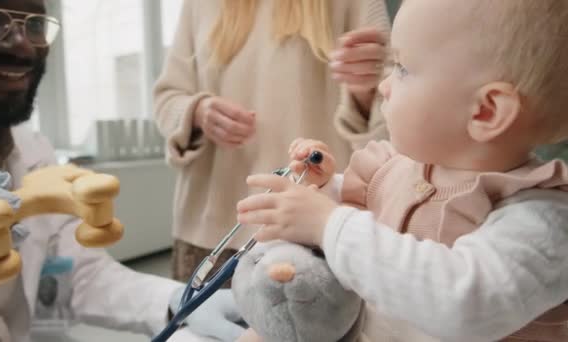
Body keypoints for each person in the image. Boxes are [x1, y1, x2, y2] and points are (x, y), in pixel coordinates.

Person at [236, 0, 568, 341]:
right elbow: (371, 228)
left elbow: (462, 303)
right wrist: (323, 193)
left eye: (402, 68)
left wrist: (327, 223)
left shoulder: (543, 222)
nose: (384, 85)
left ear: (486, 111)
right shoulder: (396, 171)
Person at [0, 1, 244, 341]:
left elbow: (80, 274)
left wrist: (178, 301)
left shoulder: (35, 155)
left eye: (34, 24)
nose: (21, 44)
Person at [153, 0, 390, 285]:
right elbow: (167, 97)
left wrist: (363, 94)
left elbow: (395, 108)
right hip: (209, 235)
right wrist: (197, 112)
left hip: (314, 234)